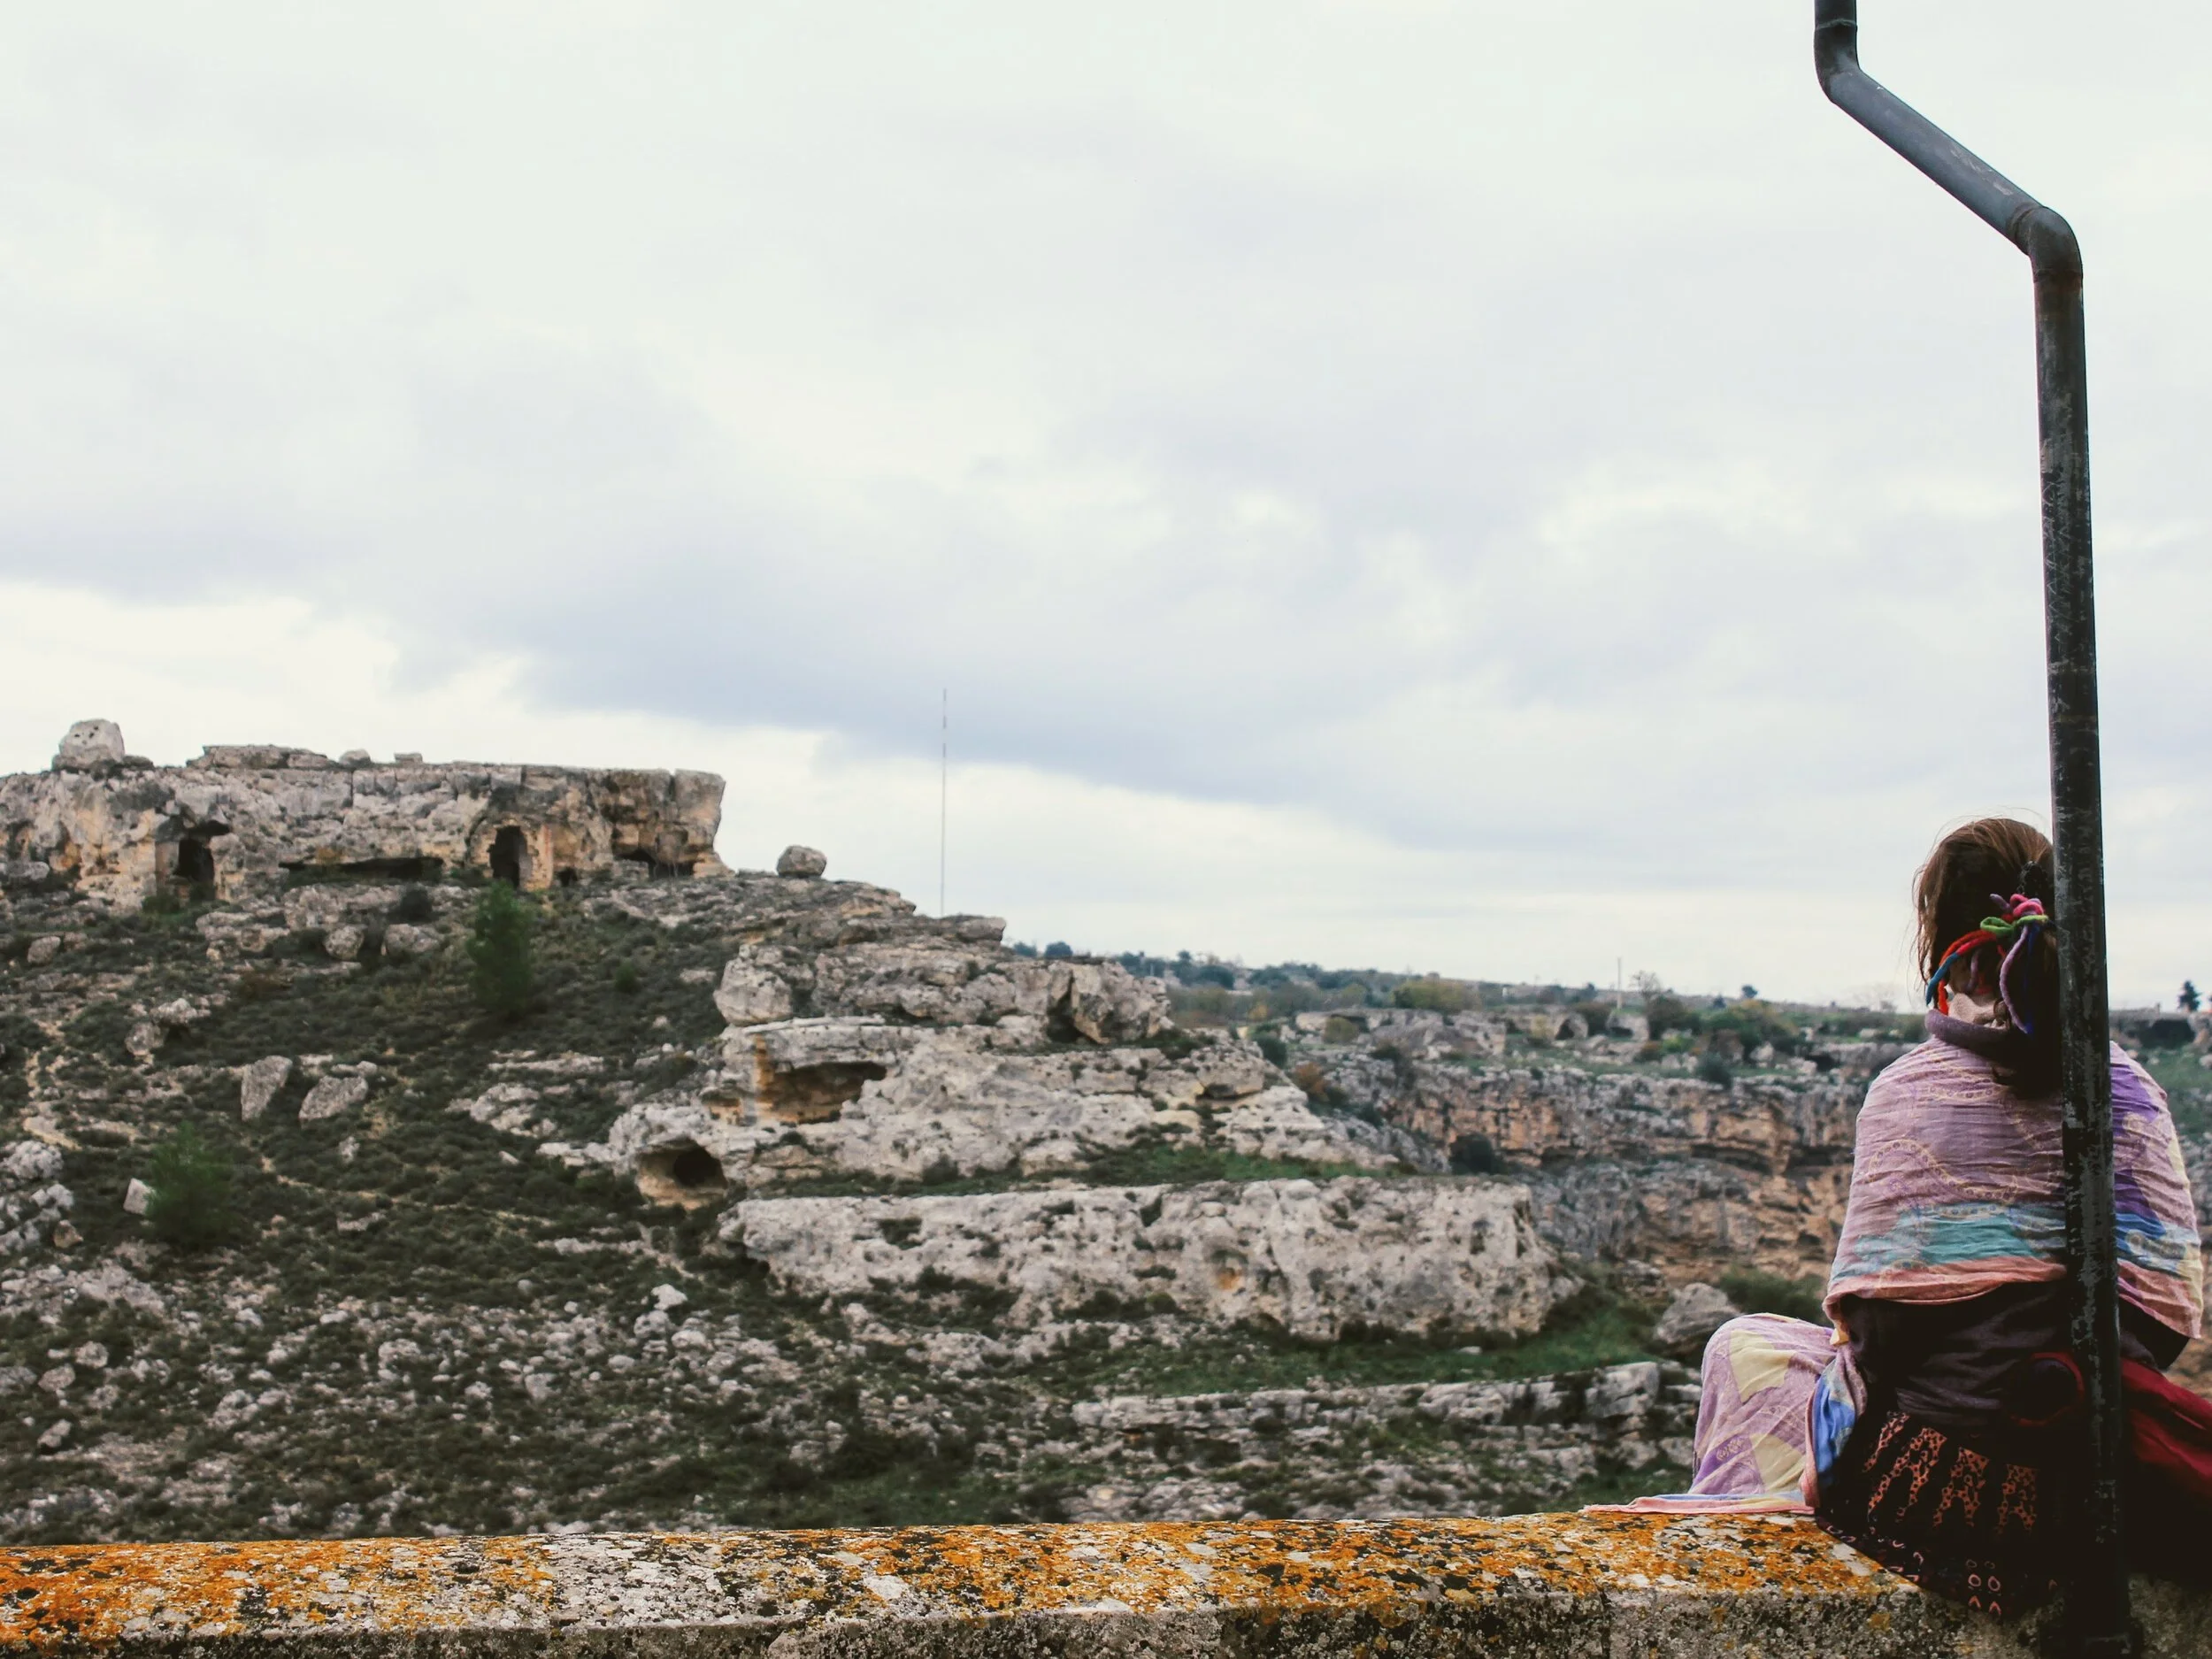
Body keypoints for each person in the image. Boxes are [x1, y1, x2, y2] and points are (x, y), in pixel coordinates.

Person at [1616, 818, 2207, 1617]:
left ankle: (1740, 1583)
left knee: (1742, 1345)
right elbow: (2167, 1316)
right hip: (2092, 1471)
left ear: (1941, 943)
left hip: (1940, 1479)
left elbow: (1878, 1335)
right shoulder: (2131, 1089)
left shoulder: (1913, 1089)